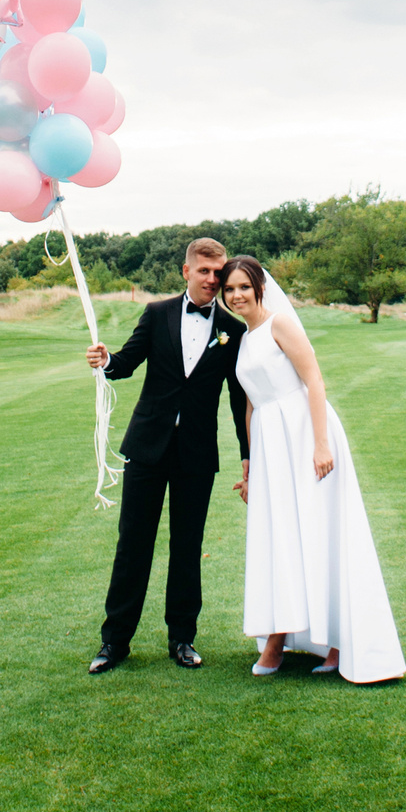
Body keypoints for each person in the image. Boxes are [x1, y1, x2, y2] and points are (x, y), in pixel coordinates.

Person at [225, 255, 406, 683]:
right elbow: (251, 405)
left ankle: (340, 640)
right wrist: (253, 469)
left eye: (244, 288)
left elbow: (315, 380)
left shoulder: (279, 326)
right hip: (272, 443)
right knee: (283, 535)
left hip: (306, 434)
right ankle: (280, 635)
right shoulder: (244, 339)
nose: (236, 296)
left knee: (323, 531)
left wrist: (322, 443)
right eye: (230, 289)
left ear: (260, 289)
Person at [83, 238, 251, 673]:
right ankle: (115, 642)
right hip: (147, 448)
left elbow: (239, 400)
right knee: (132, 546)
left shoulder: (234, 330)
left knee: (187, 548)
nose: (213, 281)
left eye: (219, 274)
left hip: (197, 454)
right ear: (186, 271)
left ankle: (182, 639)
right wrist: (104, 360)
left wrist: (248, 456)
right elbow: (126, 362)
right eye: (205, 273)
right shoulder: (156, 314)